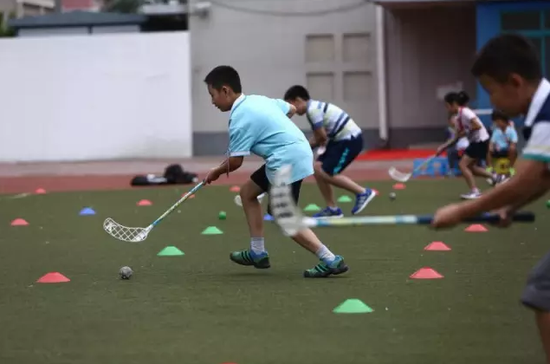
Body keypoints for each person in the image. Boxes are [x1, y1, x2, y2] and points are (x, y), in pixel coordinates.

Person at [432, 33, 550, 364]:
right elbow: (544, 177)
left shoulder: (547, 113)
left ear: (515, 82)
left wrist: (462, 210)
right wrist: (510, 206)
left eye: (492, 91)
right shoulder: (539, 112)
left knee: (544, 289)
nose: (493, 102)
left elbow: (529, 176)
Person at [203, 66, 348, 278]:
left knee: (283, 216)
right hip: (290, 154)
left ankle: (330, 259)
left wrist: (215, 172)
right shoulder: (258, 100)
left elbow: (235, 162)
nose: (212, 101)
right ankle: (257, 252)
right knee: (248, 193)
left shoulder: (240, 118)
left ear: (225, 90)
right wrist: (275, 128)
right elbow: (291, 109)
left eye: (212, 95)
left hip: (286, 160)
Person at [283, 85, 376, 218]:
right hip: (339, 140)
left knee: (326, 173)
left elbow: (321, 137)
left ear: (298, 100)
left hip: (350, 139)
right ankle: (332, 208)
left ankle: (362, 192)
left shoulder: (313, 111)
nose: (291, 110)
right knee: (317, 168)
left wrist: (302, 149)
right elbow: (319, 136)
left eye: (291, 105)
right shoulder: (314, 108)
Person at [436, 91, 498, 199]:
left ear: (454, 104)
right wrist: (443, 147)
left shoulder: (465, 112)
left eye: (447, 106)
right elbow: (456, 137)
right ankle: (495, 177)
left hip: (480, 140)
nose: (447, 109)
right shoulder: (459, 117)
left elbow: (477, 125)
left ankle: (475, 191)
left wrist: (465, 131)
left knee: (462, 165)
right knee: (471, 167)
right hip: (476, 141)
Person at [486, 110, 518, 177]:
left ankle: (511, 168)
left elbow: (514, 143)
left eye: (498, 121)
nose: (497, 123)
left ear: (504, 121)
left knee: (513, 149)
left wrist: (511, 147)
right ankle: (490, 168)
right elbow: (492, 142)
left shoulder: (511, 131)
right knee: (488, 150)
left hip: (507, 150)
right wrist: (491, 147)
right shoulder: (496, 131)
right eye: (496, 122)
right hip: (498, 150)